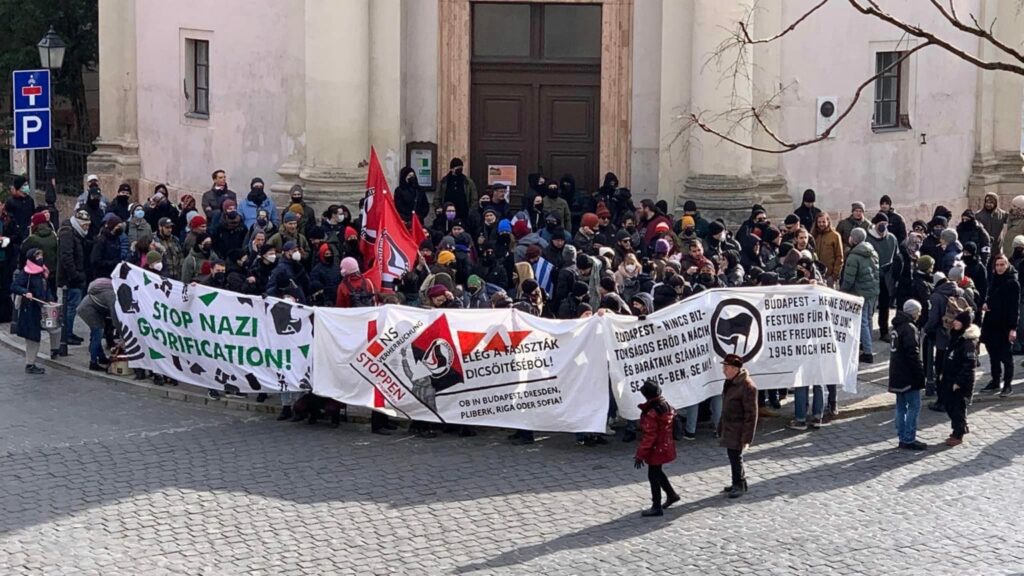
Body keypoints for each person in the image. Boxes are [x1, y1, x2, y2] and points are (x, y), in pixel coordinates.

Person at [633, 379, 680, 517]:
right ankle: (671, 494)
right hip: (665, 445)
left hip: (656, 448)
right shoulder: (665, 405)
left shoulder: (651, 412)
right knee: (657, 472)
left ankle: (656, 505)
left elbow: (649, 436)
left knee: (653, 475)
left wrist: (640, 454)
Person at [10, 248, 59, 374]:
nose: (40, 258)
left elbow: (46, 289)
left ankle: (55, 350)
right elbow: (15, 286)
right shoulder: (27, 273)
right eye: (37, 256)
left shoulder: (42, 271)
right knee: (32, 338)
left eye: (41, 255)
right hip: (30, 309)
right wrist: (26, 292)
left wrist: (50, 300)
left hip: (41, 307)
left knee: (55, 328)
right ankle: (30, 364)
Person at [889, 299, 927, 450]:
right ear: (913, 312)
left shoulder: (896, 326)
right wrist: (920, 374)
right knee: (914, 406)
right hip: (908, 373)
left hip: (896, 372)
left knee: (900, 406)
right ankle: (909, 438)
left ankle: (901, 436)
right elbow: (913, 354)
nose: (920, 314)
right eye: (918, 312)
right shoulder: (910, 328)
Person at [718, 354, 757, 499]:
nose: (723, 370)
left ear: (735, 369)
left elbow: (751, 414)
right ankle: (738, 481)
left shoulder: (747, 386)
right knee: (732, 456)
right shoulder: (730, 382)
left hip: (738, 428)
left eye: (726, 367)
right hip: (730, 426)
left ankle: (739, 484)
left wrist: (747, 438)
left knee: (736, 457)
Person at [980, 254, 1019, 397]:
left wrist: (1013, 328)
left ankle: (1007, 384)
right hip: (991, 322)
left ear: (1007, 265)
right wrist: (985, 303)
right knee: (993, 355)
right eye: (997, 265)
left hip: (1004, 324)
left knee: (1006, 356)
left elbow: (1014, 308)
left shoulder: (1012, 283)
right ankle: (995, 380)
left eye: (1002, 265)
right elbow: (989, 295)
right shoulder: (993, 279)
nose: (1000, 268)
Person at [841, 227, 880, 364]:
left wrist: (842, 291)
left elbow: (849, 279)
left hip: (860, 292)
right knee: (868, 319)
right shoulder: (872, 251)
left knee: (862, 321)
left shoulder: (854, 256)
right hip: (872, 290)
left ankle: (868, 352)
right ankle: (866, 345)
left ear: (854, 238)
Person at [942, 310, 979, 447]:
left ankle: (959, 432)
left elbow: (969, 365)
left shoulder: (968, 342)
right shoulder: (955, 336)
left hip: (959, 381)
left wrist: (959, 382)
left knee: (957, 407)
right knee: (949, 404)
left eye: (958, 321)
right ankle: (959, 428)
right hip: (950, 377)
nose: (955, 322)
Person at [57, 209, 91, 350]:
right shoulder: (68, 233)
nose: (87, 227)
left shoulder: (76, 233)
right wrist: (75, 275)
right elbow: (67, 257)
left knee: (72, 307)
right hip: (70, 278)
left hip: (75, 276)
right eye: (85, 225)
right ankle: (66, 335)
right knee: (70, 307)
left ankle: (68, 332)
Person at [866, 212, 898, 339]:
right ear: (875, 224)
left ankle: (884, 331)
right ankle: (866, 331)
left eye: (885, 224)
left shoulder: (892, 238)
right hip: (872, 275)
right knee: (870, 305)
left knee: (885, 305)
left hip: (887, 276)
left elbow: (896, 256)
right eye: (880, 224)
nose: (883, 227)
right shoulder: (868, 239)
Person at [76, 277, 115, 371]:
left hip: (87, 308)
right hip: (89, 311)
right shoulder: (111, 294)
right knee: (97, 334)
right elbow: (114, 314)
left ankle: (101, 357)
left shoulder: (109, 288)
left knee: (96, 334)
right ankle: (93, 363)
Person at [812, 213, 844, 286]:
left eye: (823, 222)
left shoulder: (835, 236)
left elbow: (839, 257)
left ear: (828, 222)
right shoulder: (814, 235)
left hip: (829, 275)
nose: (821, 224)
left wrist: (834, 276)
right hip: (815, 275)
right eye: (819, 222)